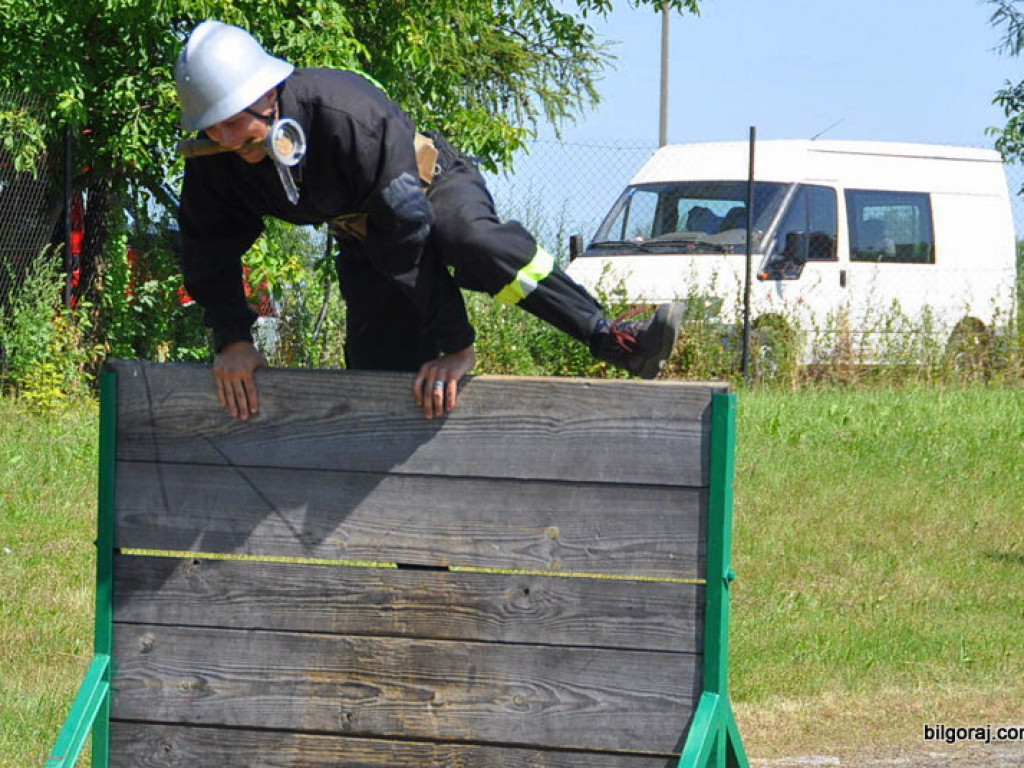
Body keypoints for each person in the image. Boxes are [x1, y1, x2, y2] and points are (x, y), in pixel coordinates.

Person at [174, 21, 684, 420]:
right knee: (382, 379)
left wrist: (455, 345)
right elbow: (207, 247)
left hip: (427, 188)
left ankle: (612, 337)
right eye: (210, 128)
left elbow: (406, 233)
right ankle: (419, 557)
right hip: (364, 235)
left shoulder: (348, 114)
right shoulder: (215, 155)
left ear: (268, 95)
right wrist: (233, 340)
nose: (222, 139)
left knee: (472, 241)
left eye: (233, 124)